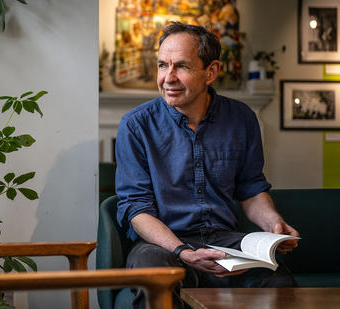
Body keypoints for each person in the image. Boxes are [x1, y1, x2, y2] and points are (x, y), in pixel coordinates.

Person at [114, 22, 300, 309]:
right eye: (163, 65)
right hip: (163, 243)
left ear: (211, 72)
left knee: (276, 279)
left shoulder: (242, 118)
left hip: (225, 240)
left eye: (182, 67)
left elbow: (250, 189)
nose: (168, 78)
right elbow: (136, 209)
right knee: (153, 271)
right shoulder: (136, 125)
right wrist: (182, 250)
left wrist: (273, 224)